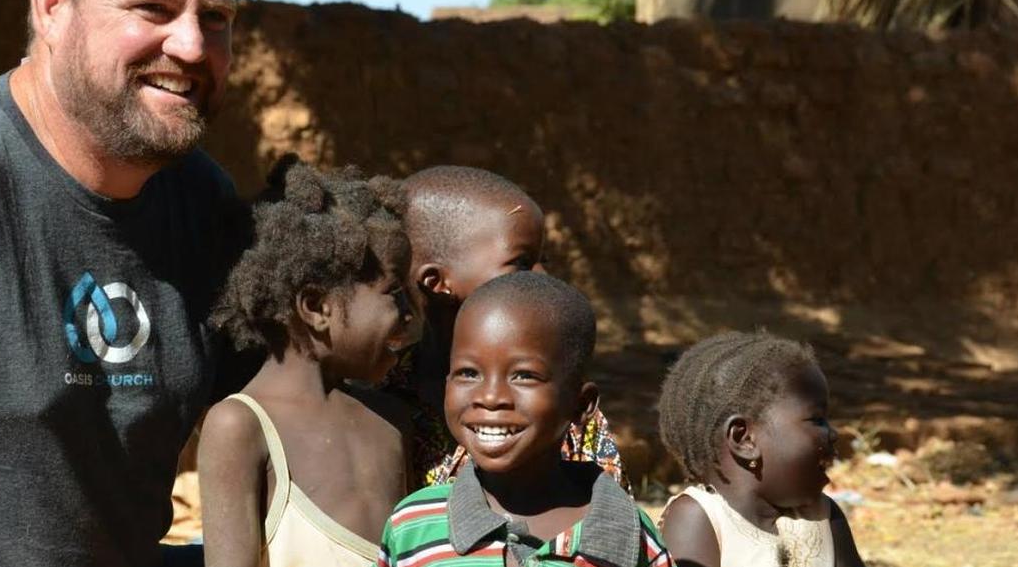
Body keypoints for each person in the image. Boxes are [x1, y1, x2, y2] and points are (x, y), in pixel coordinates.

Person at [0, 0, 242, 565]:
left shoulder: (204, 207)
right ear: (52, 6)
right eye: (154, 9)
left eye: (214, 17)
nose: (192, 45)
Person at [198, 156, 422, 567]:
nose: (410, 313)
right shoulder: (240, 426)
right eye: (394, 292)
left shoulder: (392, 419)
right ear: (317, 306)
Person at [376, 272, 673, 567]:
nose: (490, 397)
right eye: (468, 373)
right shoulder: (413, 527)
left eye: (524, 376)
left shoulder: (629, 539)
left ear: (581, 404)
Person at [387, 165, 628, 489]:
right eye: (522, 262)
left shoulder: (557, 403)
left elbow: (608, 521)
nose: (540, 277)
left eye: (544, 259)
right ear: (438, 282)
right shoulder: (384, 396)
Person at [656, 332, 865, 567]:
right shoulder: (699, 519)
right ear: (744, 439)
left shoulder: (826, 517)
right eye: (817, 420)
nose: (833, 433)